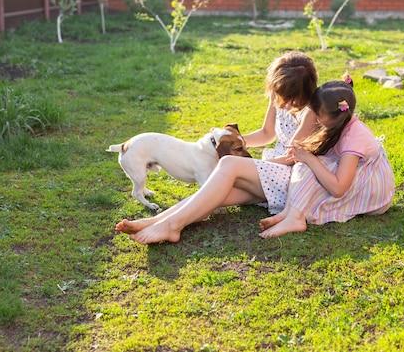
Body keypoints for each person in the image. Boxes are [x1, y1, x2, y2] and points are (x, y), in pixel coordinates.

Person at [115, 51, 319, 244]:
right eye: (280, 94)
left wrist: (254, 163)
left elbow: (293, 157)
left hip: (291, 178)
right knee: (212, 195)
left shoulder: (310, 111)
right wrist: (232, 141)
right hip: (271, 174)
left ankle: (170, 226)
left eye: (291, 98)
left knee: (229, 164)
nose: (284, 102)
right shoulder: (278, 97)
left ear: (305, 91)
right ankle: (157, 222)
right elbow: (267, 133)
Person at [258, 79, 395, 238]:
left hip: (373, 190)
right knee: (307, 164)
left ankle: (295, 217)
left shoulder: (354, 137)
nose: (315, 119)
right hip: (356, 177)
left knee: (309, 165)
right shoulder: (340, 124)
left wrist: (310, 159)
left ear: (334, 115)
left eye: (318, 114)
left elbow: (338, 189)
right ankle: (289, 213)